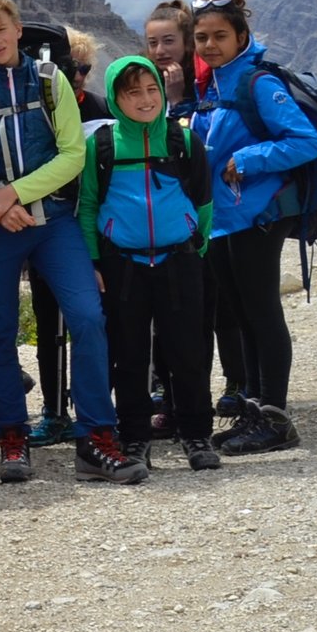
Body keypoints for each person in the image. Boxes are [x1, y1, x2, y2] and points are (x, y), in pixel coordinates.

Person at [0, 0, 137, 484]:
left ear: (18, 27)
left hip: (54, 223)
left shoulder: (52, 83)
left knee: (89, 317)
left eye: (1, 29)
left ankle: (96, 438)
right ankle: (12, 433)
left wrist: (12, 194)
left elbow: (73, 154)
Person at [187, 0, 317, 456]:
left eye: (219, 35)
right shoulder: (217, 83)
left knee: (261, 310)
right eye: (201, 37)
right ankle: (253, 410)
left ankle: (276, 417)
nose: (209, 45)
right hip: (226, 217)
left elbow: (306, 142)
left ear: (242, 35)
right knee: (241, 314)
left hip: (259, 214)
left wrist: (249, 159)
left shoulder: (258, 82)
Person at [79, 56, 219, 470]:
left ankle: (196, 434)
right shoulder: (101, 146)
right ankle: (135, 436)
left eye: (152, 89)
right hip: (122, 266)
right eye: (132, 91)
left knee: (188, 351)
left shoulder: (183, 142)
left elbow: (204, 202)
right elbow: (88, 206)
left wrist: (197, 246)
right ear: (117, 98)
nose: (145, 99)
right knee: (129, 355)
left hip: (180, 260)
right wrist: (94, 260)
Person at [142, 2, 198, 111]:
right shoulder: (141, 77)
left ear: (187, 42)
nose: (159, 51)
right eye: (153, 43)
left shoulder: (203, 81)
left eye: (168, 41)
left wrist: (176, 100)